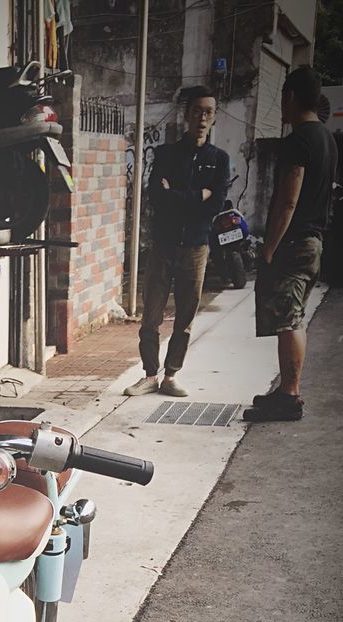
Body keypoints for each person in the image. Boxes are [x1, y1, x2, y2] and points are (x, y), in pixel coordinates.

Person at [244, 66, 337, 422]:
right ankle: (286, 391)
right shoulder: (326, 138)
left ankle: (290, 396)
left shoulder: (300, 140)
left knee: (290, 319)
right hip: (313, 241)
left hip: (296, 243)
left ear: (290, 97)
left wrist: (269, 247)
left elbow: (288, 200)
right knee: (290, 318)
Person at [124, 87, 230, 398]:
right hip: (164, 246)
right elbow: (157, 198)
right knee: (151, 316)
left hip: (196, 247)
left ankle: (171, 375)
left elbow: (216, 204)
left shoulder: (219, 160)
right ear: (187, 114)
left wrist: (180, 196)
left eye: (208, 112)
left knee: (185, 317)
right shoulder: (167, 154)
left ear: (214, 118)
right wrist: (198, 195)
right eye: (197, 110)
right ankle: (149, 375)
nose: (202, 117)